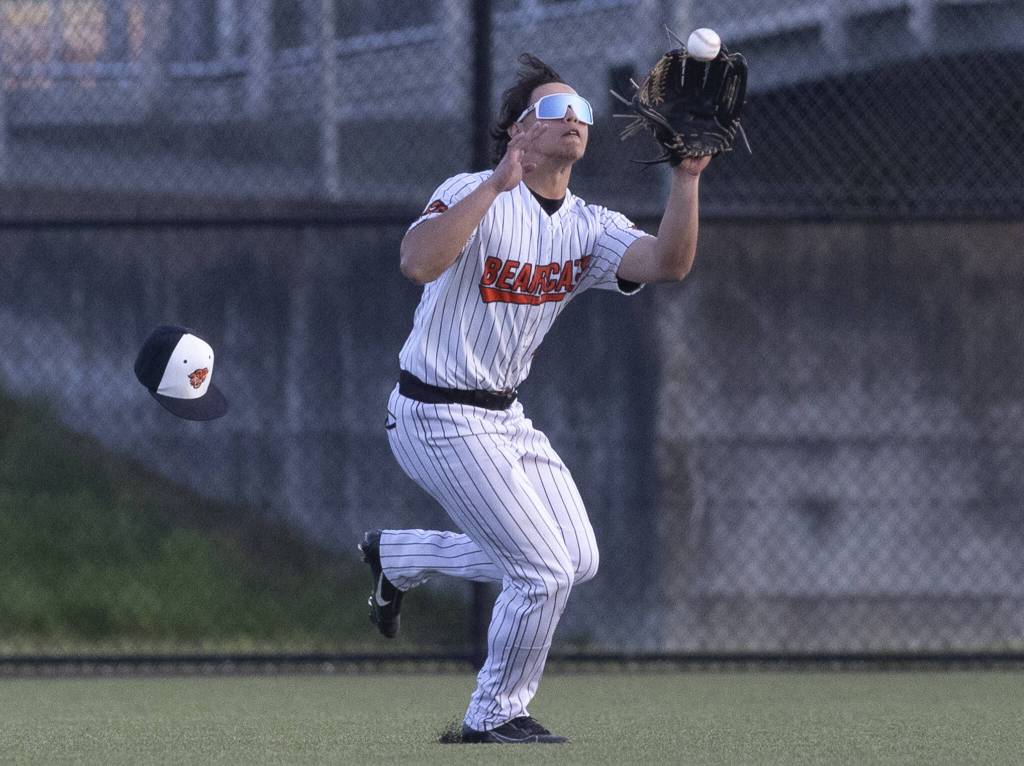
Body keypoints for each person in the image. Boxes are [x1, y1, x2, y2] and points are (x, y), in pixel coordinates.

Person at [359, 53, 709, 744]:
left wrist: (687, 178)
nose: (573, 118)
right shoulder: (472, 190)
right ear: (520, 131)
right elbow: (417, 262)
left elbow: (669, 263)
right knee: (542, 570)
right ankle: (491, 717)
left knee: (576, 560)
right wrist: (492, 188)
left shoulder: (588, 225)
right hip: (433, 412)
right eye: (553, 109)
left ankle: (399, 555)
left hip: (504, 416)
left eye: (579, 110)